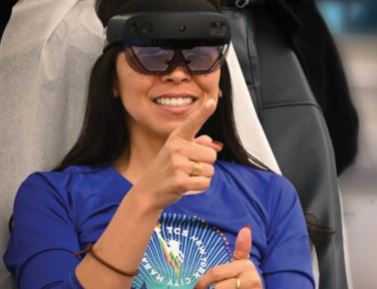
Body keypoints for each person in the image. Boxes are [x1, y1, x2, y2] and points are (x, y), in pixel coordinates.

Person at [3, 0, 315, 288]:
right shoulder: (51, 197)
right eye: (151, 56)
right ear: (111, 80)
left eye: (200, 57)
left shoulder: (273, 197)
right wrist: (147, 197)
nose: (178, 73)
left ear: (219, 82)